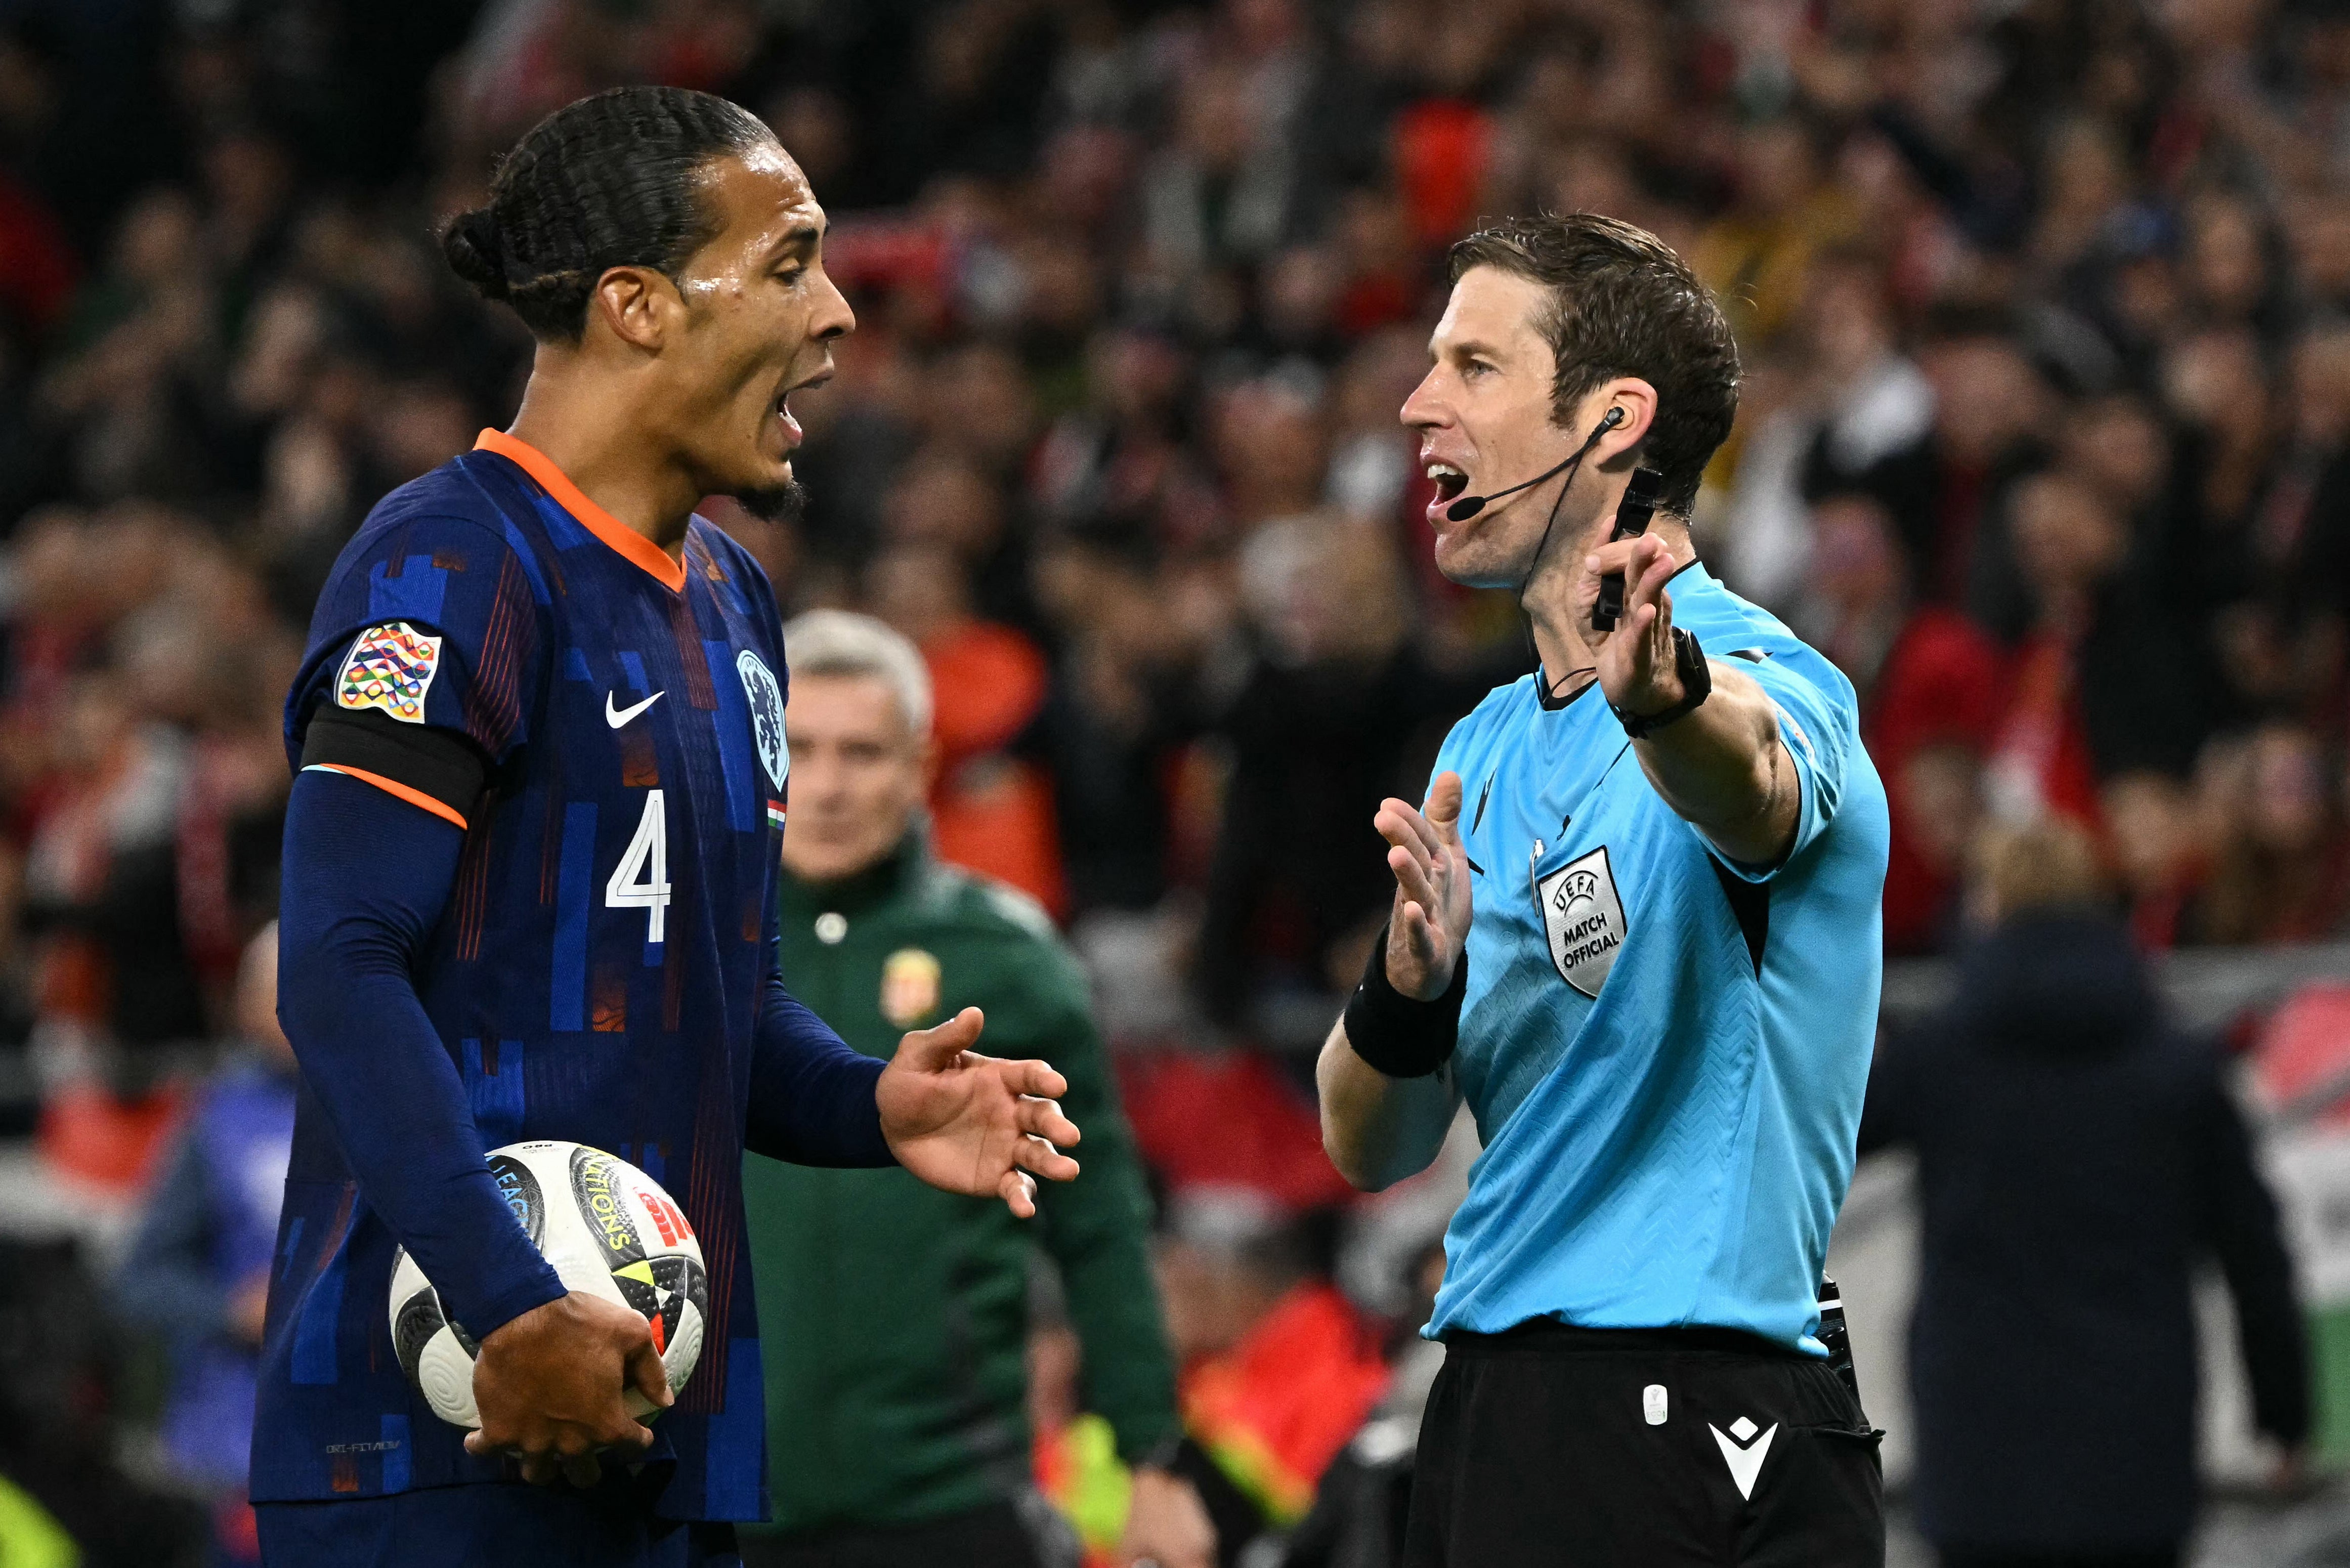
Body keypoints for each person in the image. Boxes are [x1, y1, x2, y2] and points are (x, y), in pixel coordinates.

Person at [256, 87, 1083, 1568]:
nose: (836, 312)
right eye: (788, 263)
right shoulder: (455, 562)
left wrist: (865, 1104)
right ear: (637, 307)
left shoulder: (734, 602)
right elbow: (335, 959)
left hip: (661, 1434)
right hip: (444, 1427)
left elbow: (722, 992)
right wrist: (502, 1297)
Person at [1316, 212, 1891, 1564]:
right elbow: (1369, 1144)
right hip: (1501, 1399)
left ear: (1611, 418)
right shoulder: (1482, 749)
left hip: (1677, 1397)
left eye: (1471, 367)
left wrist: (1667, 701)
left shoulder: (1771, 681)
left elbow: (1747, 781)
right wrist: (1406, 989)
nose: (1416, 404)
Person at [734, 610, 1212, 1568]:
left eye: (862, 752)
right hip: (719, 1503)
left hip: (950, 1501)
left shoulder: (1007, 956)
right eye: (803, 750)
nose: (825, 785)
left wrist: (1151, 1454)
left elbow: (1102, 1226)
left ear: (921, 761)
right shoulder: (686, 944)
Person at [1859, 820, 2310, 1568]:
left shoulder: (1937, 1060)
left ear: (1989, 910)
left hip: (1979, 1436)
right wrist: (2285, 1415)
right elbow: (2255, 1255)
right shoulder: (2179, 1068)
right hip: (2136, 1439)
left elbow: (1817, 1142)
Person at [115, 922, 296, 1567]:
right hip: (235, 1447)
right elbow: (138, 1281)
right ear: (242, 1008)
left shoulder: (391, 1110)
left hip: (366, 1438)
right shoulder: (215, 1120)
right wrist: (228, 1311)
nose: (293, 1011)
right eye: (274, 994)